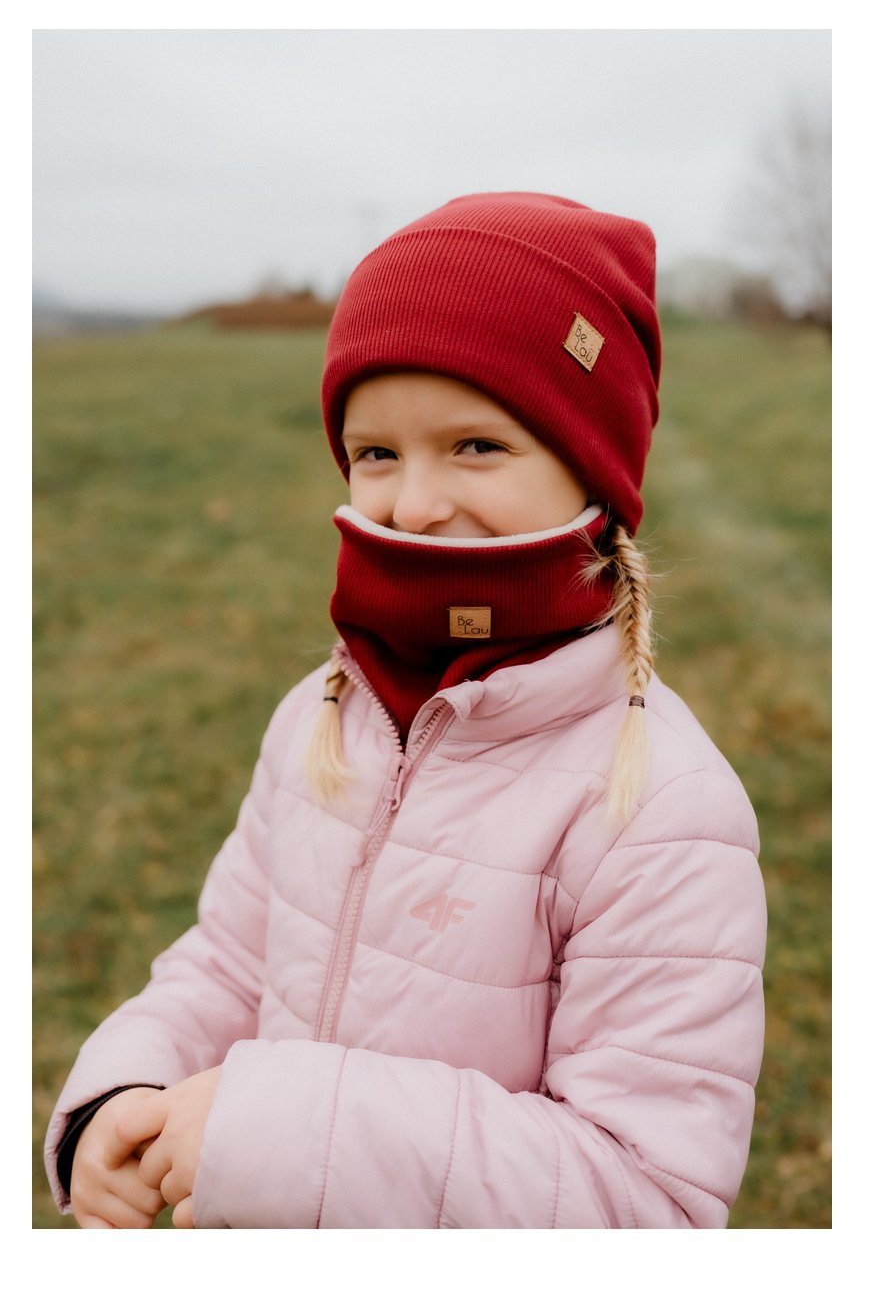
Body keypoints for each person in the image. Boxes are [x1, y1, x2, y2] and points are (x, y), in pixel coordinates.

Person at [44, 191, 767, 1229]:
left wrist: (281, 1133)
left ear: (595, 468)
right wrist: (129, 1084)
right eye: (376, 453)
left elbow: (645, 1200)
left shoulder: (660, 807)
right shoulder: (320, 718)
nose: (415, 505)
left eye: (477, 445)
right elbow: (234, 958)